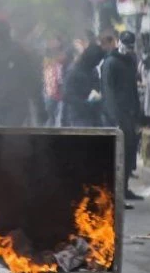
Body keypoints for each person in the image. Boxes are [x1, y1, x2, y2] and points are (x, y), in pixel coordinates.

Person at [102, 31, 144, 201]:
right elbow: (109, 92)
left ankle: (124, 188)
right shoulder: (110, 62)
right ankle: (115, 189)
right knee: (118, 154)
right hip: (117, 115)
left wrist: (138, 115)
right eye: (126, 44)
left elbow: (133, 89)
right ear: (119, 42)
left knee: (129, 153)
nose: (128, 48)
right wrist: (115, 118)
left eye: (130, 45)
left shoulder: (131, 61)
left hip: (130, 113)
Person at [0, 20, 48, 127]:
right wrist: (40, 106)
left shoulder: (15, 53)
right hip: (5, 105)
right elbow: (33, 79)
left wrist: (40, 107)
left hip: (13, 105)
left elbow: (32, 79)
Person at [62, 39, 107, 128]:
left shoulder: (93, 70)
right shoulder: (73, 71)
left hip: (94, 113)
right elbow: (67, 95)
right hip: (79, 115)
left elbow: (97, 85)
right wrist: (84, 104)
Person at [42, 39, 66, 127]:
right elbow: (59, 82)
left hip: (48, 94)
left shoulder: (46, 65)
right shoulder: (57, 66)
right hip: (55, 96)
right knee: (56, 121)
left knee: (50, 120)